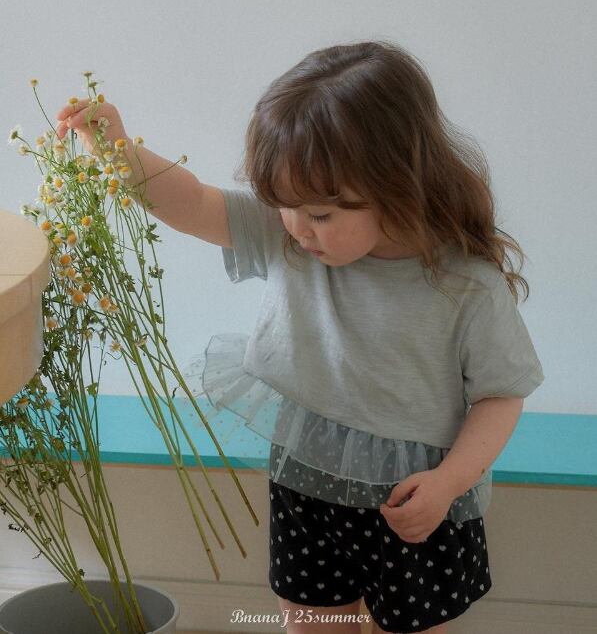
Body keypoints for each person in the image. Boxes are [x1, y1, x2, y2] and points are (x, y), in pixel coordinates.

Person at [55, 40, 544, 634]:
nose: (298, 228)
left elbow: (500, 395)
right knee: (310, 623)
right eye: (284, 206)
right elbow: (194, 202)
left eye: (321, 215)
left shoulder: (464, 286)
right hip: (308, 479)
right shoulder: (291, 234)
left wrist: (450, 482)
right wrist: (118, 149)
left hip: (415, 499)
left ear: (398, 186)